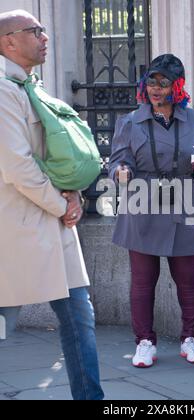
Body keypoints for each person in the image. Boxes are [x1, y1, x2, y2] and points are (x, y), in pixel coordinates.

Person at [0, 10, 104, 400]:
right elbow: (18, 168)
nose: (44, 37)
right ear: (8, 41)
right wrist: (62, 206)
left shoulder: (30, 86)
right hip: (16, 229)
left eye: (45, 29)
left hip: (53, 222)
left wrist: (73, 193)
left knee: (80, 319)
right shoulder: (2, 92)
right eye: (34, 31)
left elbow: (55, 155)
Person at [109, 54, 194, 368]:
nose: (156, 89)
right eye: (152, 82)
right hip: (141, 203)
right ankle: (144, 342)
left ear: (177, 86)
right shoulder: (129, 122)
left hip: (183, 202)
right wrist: (120, 171)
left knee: (188, 278)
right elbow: (116, 162)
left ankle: (190, 339)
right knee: (143, 281)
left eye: (164, 83)